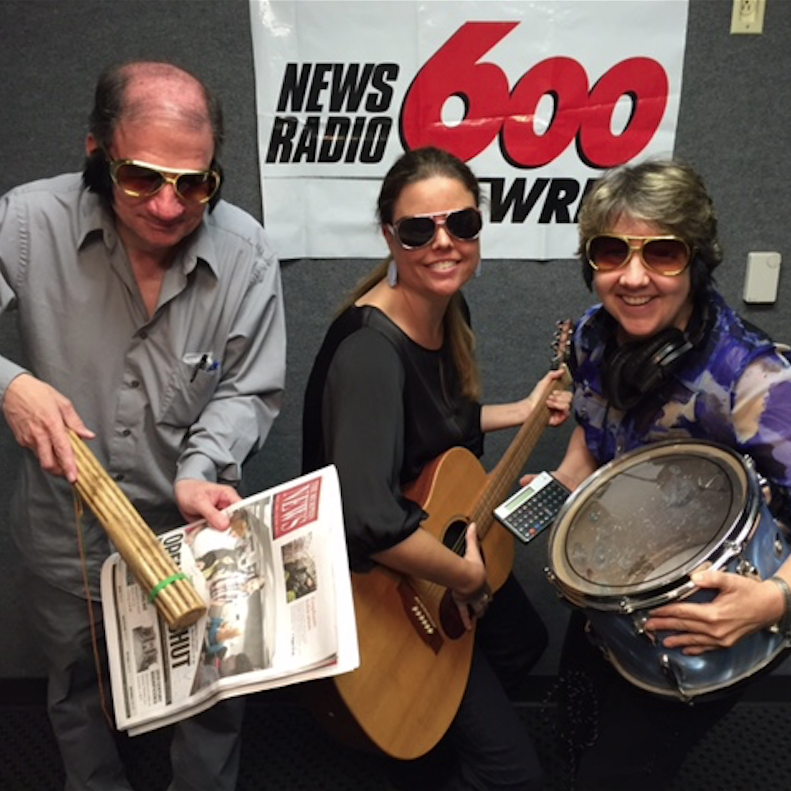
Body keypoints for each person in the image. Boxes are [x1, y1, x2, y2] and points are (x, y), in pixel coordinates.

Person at [0, 61, 286, 791]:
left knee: (215, 694)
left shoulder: (247, 249)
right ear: (98, 153)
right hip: (66, 531)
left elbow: (248, 388)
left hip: (186, 525)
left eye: (193, 184)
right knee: (76, 691)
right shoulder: (27, 221)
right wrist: (12, 385)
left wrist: (202, 465)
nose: (167, 207)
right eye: (141, 179)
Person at [302, 146, 571, 791]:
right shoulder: (371, 350)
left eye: (463, 224)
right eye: (419, 230)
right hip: (381, 581)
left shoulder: (447, 311)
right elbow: (368, 520)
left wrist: (523, 410)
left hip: (426, 543)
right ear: (391, 235)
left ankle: (429, 727)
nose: (443, 244)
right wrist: (466, 574)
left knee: (520, 642)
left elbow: (439, 423)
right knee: (517, 776)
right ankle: (421, 717)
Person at [547, 158, 791, 790]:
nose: (632, 278)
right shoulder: (592, 339)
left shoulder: (753, 380)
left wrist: (774, 600)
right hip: (615, 591)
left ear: (697, 261)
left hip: (713, 613)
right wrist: (558, 490)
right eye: (610, 252)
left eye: (662, 253)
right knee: (569, 732)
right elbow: (591, 435)